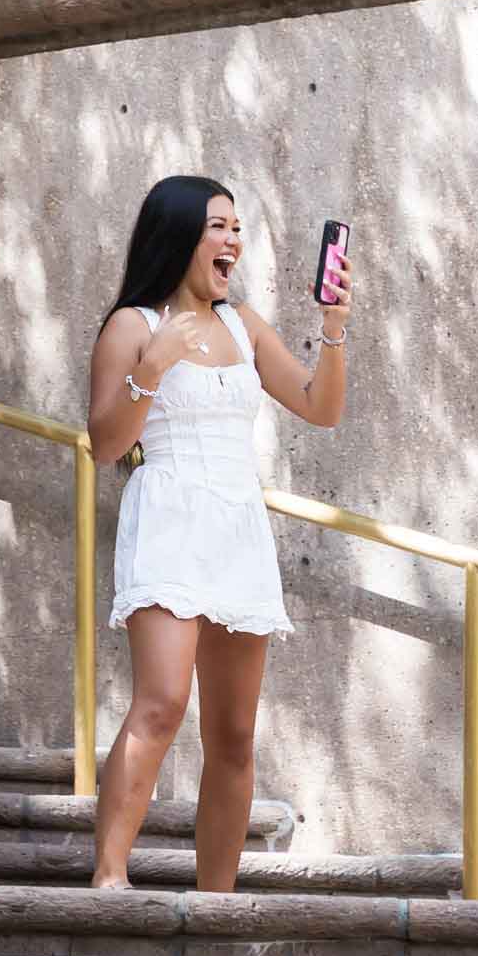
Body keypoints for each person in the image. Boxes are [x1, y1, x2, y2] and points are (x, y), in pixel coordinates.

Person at [85, 176, 354, 891]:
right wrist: (151, 366)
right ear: (178, 234)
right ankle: (110, 877)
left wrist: (333, 325)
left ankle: (217, 901)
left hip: (237, 523)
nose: (233, 239)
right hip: (169, 514)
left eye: (237, 227)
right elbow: (106, 444)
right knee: (162, 701)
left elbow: (319, 406)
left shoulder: (245, 324)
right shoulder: (132, 325)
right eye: (218, 226)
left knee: (233, 735)